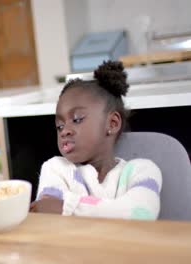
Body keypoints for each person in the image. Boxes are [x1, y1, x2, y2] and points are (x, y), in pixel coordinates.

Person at [30, 61, 162, 220]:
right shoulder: (55, 168)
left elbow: (140, 214)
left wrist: (66, 207)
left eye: (77, 119)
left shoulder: (142, 170)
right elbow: (48, 215)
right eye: (59, 126)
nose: (65, 131)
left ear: (112, 123)